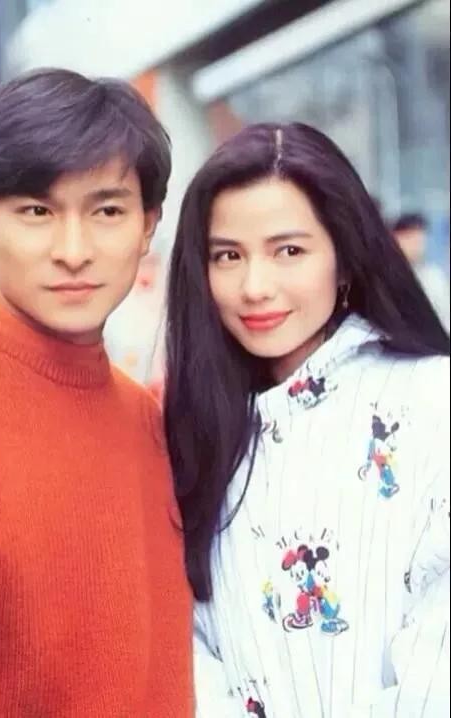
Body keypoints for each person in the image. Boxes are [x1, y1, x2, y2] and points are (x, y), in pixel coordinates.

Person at [164, 123, 450, 717]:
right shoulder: (192, 432)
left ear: (344, 259)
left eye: (289, 251)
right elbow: (187, 652)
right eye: (228, 256)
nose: (255, 287)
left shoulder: (432, 401)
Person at [0, 68, 193, 717]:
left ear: (147, 225)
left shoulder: (145, 420)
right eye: (38, 211)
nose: (74, 250)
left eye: (107, 211)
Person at [392, 213, 450, 332]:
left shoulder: (432, 276)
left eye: (419, 240)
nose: (416, 246)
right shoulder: (385, 275)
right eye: (409, 238)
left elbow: (445, 315)